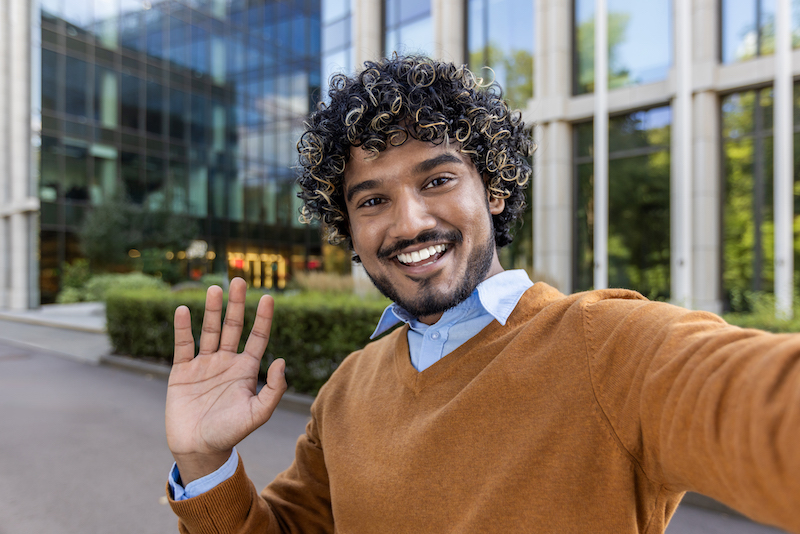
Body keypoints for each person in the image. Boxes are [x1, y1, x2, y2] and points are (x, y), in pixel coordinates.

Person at [165, 55, 800, 533]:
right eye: (373, 200)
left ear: (493, 191)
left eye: (437, 178)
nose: (410, 222)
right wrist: (205, 459)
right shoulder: (347, 392)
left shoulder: (609, 346)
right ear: (350, 232)